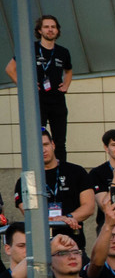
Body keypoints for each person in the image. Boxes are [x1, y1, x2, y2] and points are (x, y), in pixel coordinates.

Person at [6, 14, 72, 157]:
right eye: (46, 27)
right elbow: (10, 69)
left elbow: (68, 70)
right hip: (37, 100)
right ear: (40, 30)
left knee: (60, 141)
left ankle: (61, 169)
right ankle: (39, 168)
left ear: (57, 30)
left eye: (53, 27)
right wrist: (24, 85)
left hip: (57, 101)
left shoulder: (63, 52)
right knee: (37, 138)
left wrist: (66, 84)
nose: (50, 30)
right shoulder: (30, 49)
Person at [13, 129, 94, 243]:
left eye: (45, 144)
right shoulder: (27, 180)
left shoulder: (76, 172)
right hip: (43, 245)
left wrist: (68, 217)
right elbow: (30, 214)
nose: (43, 150)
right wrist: (54, 220)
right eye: (38, 147)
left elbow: (89, 207)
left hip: (74, 243)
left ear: (53, 145)